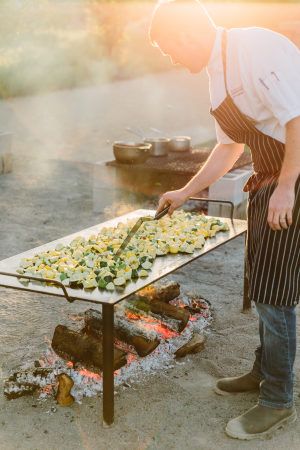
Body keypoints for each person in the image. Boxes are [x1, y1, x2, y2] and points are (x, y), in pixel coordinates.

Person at [149, 0, 300, 441]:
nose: (171, 58)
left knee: (276, 293)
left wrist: (287, 187)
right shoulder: (218, 74)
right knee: (264, 281)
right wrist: (184, 192)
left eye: (169, 48)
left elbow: (296, 120)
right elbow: (229, 146)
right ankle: (264, 369)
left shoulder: (253, 48)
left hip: (293, 174)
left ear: (188, 34)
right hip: (271, 176)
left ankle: (276, 400)